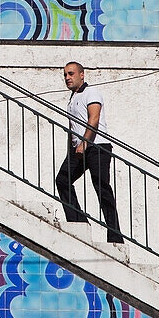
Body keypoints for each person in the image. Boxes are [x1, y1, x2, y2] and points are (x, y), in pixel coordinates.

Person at [54, 61, 124, 242]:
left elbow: (94, 118)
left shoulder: (91, 93)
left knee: (102, 188)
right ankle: (78, 222)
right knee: (62, 180)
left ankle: (115, 237)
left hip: (97, 146)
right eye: (65, 75)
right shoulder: (72, 98)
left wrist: (84, 142)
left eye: (71, 74)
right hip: (79, 149)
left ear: (82, 74)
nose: (67, 78)